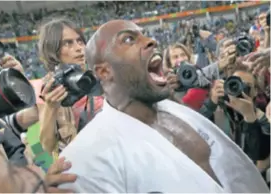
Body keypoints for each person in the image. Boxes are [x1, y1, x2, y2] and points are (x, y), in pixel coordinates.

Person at [59, 20, 268, 193]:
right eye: (129, 39)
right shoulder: (84, 160)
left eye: (144, 35)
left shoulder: (174, 110)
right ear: (104, 72)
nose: (151, 41)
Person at [37, 18, 103, 157]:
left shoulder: (101, 74)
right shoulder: (51, 89)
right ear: (53, 50)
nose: (79, 47)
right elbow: (47, 146)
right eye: (68, 43)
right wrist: (51, 108)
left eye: (80, 41)